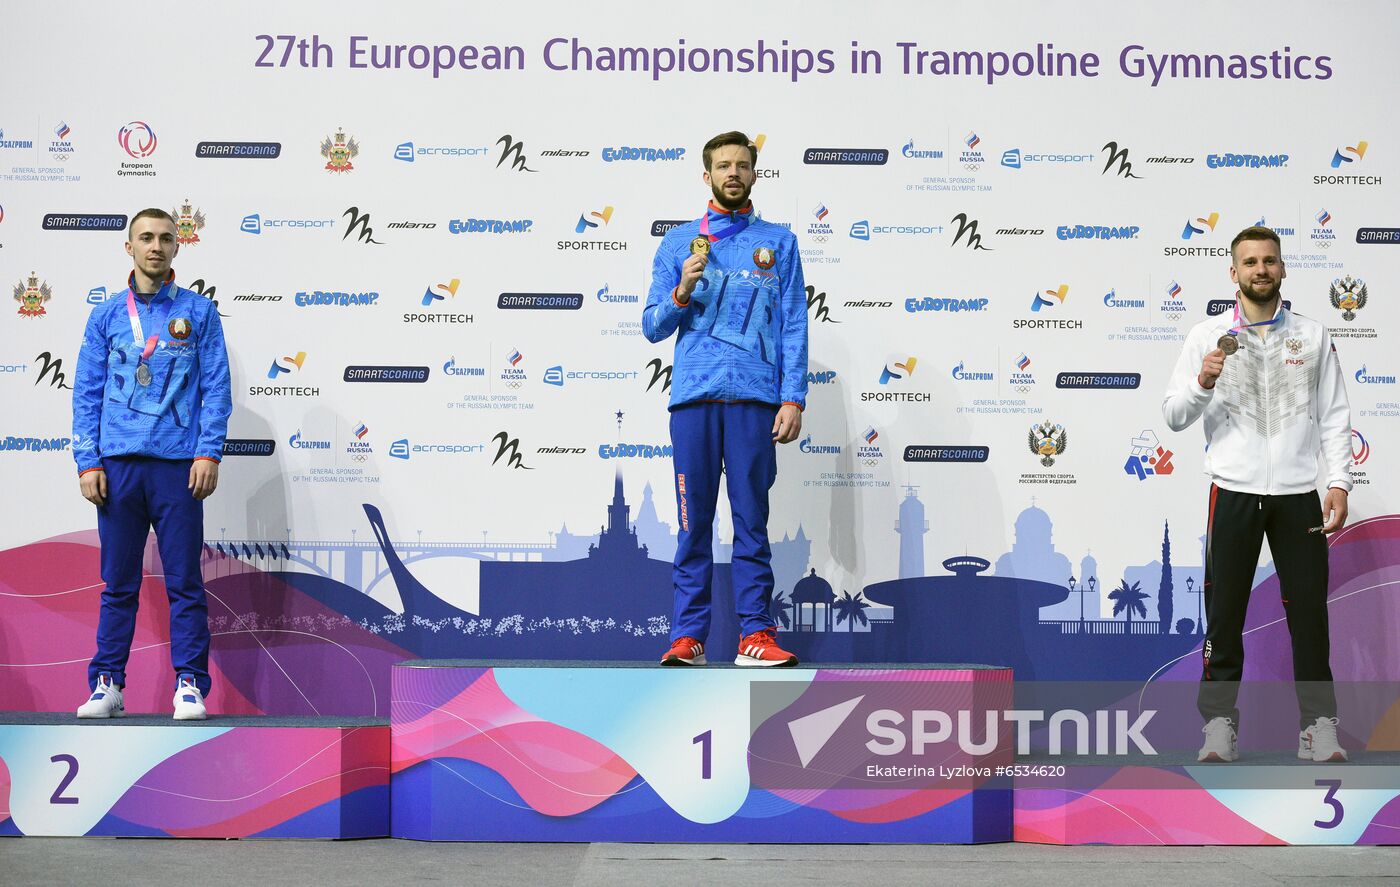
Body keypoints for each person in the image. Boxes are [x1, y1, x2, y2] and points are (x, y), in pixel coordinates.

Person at [1163, 225, 1351, 763]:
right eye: (1249, 262)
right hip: (1235, 491)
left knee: (1310, 614)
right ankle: (1219, 725)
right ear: (1234, 272)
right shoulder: (1206, 336)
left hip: (1297, 495)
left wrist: (1338, 481)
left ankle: (1318, 726)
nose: (1260, 270)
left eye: (1269, 261)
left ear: (1283, 269)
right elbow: (1173, 417)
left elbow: (1334, 416)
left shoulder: (1312, 336)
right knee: (1224, 614)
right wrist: (1202, 381)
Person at [642, 131, 807, 667]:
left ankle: (754, 635)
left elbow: (793, 327)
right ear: (706, 174)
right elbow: (651, 327)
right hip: (693, 402)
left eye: (742, 165)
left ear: (755, 173)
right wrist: (681, 291)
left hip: (756, 402)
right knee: (693, 526)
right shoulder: (679, 244)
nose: (732, 173)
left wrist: (793, 397)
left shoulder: (778, 243)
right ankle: (688, 638)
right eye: (723, 166)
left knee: (751, 523)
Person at [72, 208, 231, 719]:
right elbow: (87, 393)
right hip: (116, 467)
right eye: (146, 238)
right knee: (118, 584)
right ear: (129, 247)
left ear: (177, 248)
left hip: (177, 466)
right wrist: (86, 461)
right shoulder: (105, 316)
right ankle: (107, 684)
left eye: (165, 238)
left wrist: (208, 451)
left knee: (184, 581)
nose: (156, 246)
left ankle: (189, 684)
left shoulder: (199, 312)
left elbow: (216, 389)